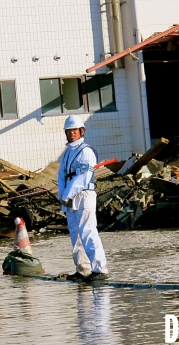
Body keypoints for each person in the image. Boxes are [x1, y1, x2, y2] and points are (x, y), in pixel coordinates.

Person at [57, 114, 108, 282]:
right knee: (75, 234)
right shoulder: (66, 154)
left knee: (88, 231)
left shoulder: (86, 151)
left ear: (81, 131)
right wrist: (63, 195)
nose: (72, 133)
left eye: (75, 130)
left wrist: (67, 194)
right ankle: (82, 269)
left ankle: (99, 269)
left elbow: (84, 177)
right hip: (70, 198)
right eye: (69, 130)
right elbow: (61, 176)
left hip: (84, 195)